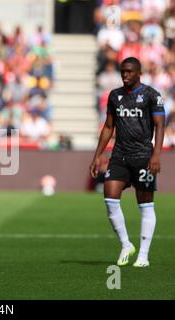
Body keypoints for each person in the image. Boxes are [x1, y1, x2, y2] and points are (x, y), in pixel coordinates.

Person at [90, 57, 165, 268]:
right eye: (123, 71)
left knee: (146, 204)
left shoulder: (152, 95)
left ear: (139, 73)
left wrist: (156, 155)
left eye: (129, 72)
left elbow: (160, 126)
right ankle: (126, 244)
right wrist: (97, 155)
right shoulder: (115, 96)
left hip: (143, 157)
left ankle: (143, 255)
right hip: (120, 156)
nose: (125, 75)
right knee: (110, 197)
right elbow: (108, 127)